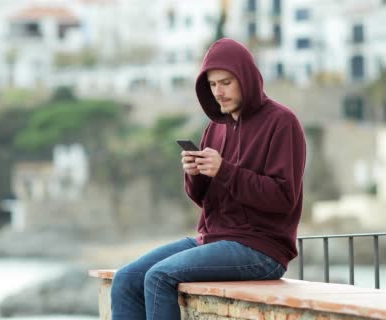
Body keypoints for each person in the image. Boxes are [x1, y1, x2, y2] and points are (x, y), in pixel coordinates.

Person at [110, 38, 306, 320]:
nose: (218, 92)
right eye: (213, 85)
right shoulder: (215, 128)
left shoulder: (282, 123)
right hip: (213, 239)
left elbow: (283, 199)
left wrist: (224, 170)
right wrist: (195, 175)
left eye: (226, 82)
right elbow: (204, 200)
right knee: (126, 280)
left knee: (158, 277)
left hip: (262, 248)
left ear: (246, 79)